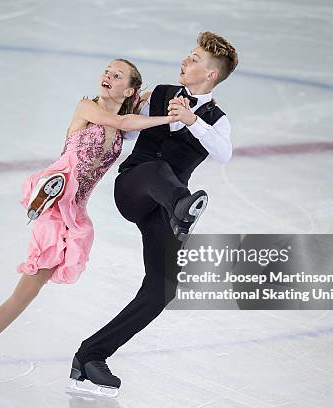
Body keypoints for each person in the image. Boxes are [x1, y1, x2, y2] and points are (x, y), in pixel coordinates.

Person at [0, 58, 178, 395]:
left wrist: (187, 101)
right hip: (56, 199)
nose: (106, 76)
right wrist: (169, 116)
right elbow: (124, 119)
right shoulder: (88, 106)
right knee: (28, 287)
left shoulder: (126, 118)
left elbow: (142, 104)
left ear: (128, 89)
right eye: (106, 71)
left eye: (117, 75)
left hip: (75, 209)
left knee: (31, 287)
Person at [69, 32, 239, 397]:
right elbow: (125, 134)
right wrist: (134, 106)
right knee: (155, 169)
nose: (185, 62)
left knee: (163, 287)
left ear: (210, 75)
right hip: (133, 187)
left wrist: (193, 121)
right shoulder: (160, 94)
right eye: (188, 56)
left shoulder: (217, 120)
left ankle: (91, 355)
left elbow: (224, 153)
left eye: (194, 60)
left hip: (163, 207)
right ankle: (183, 209)